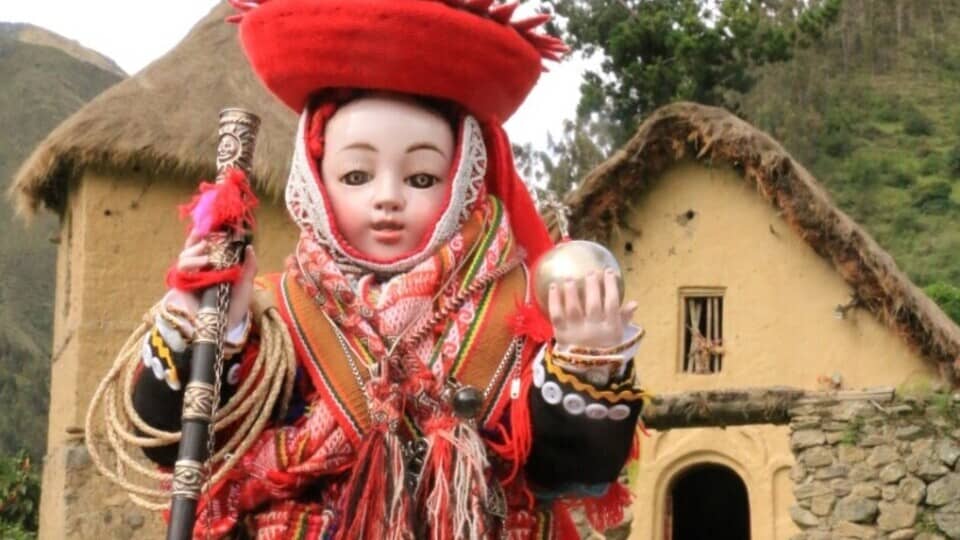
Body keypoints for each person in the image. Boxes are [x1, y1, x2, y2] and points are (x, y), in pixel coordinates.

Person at [131, 1, 648, 538]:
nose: (387, 199)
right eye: (356, 175)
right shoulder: (273, 316)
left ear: (463, 180)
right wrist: (205, 327)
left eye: (421, 178)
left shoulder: (517, 311)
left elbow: (568, 473)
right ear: (315, 181)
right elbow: (171, 444)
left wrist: (587, 365)